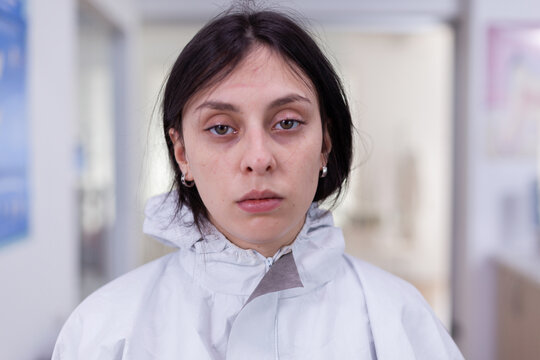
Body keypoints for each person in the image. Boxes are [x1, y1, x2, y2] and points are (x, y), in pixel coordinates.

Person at [52, 6, 464, 360]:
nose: (258, 159)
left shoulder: (402, 323)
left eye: (287, 122)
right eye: (221, 128)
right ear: (182, 154)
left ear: (325, 143)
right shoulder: (103, 332)